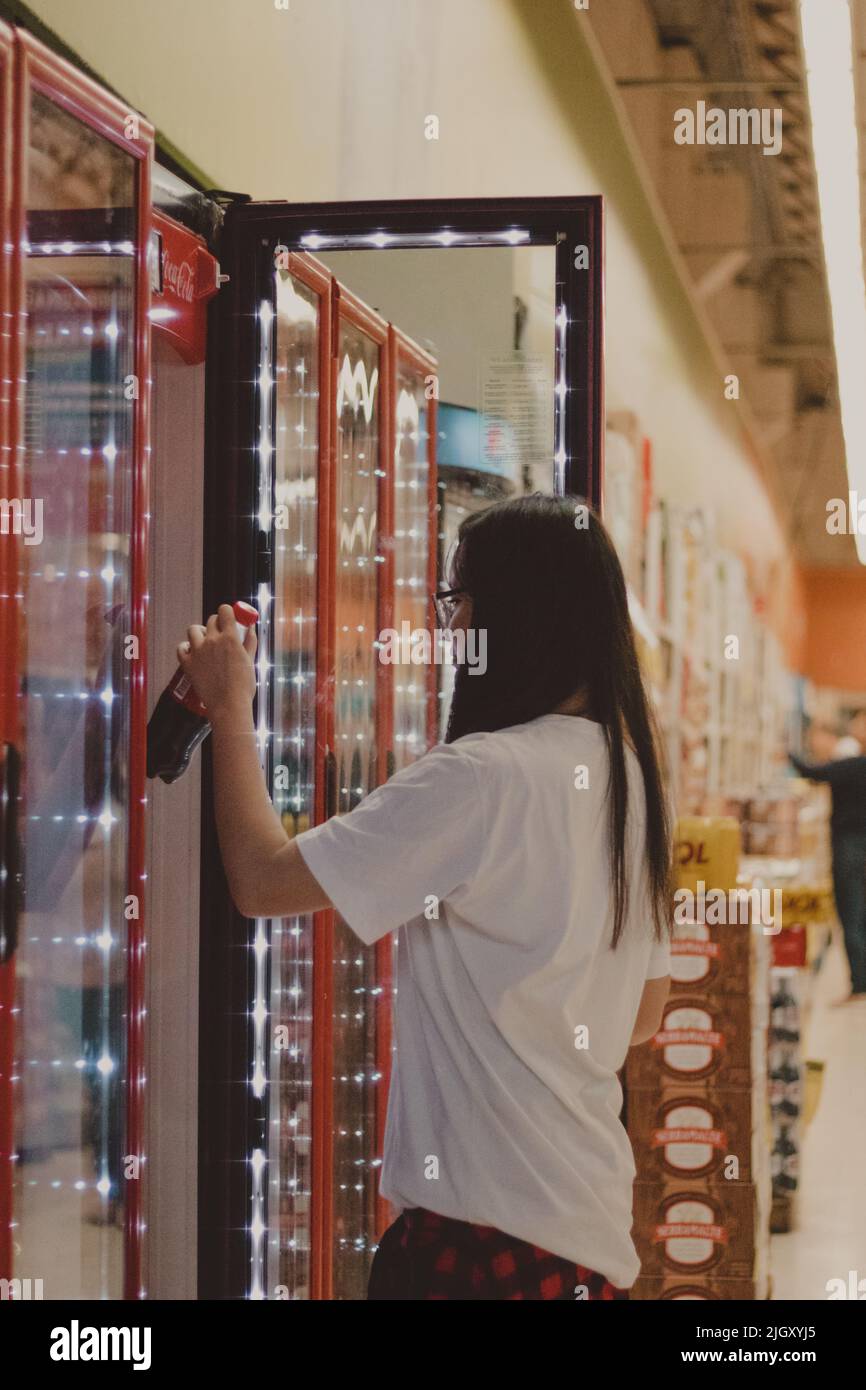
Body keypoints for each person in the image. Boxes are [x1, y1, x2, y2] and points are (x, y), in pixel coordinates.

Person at [178, 494, 673, 1301]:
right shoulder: (632, 779)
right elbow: (647, 1013)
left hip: (474, 1245)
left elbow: (262, 880)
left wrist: (232, 708)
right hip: (586, 1237)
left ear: (513, 613)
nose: (447, 627)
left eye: (457, 599)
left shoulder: (479, 779)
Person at [790, 722, 866, 1005]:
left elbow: (812, 772)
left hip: (850, 849)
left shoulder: (852, 766)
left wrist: (787, 751)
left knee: (851, 914)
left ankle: (859, 983)